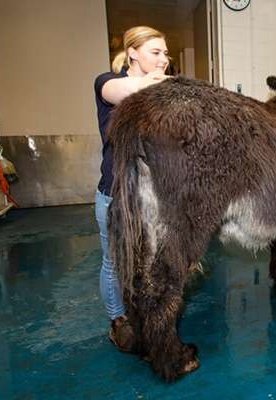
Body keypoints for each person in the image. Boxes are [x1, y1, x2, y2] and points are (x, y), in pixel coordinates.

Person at [94, 26, 171, 352]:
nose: (164, 60)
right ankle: (118, 321)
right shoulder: (106, 83)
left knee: (152, 262)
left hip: (153, 198)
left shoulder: (159, 91)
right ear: (132, 53)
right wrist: (167, 84)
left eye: (166, 54)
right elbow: (126, 90)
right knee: (115, 262)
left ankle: (148, 315)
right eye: (156, 52)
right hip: (115, 194)